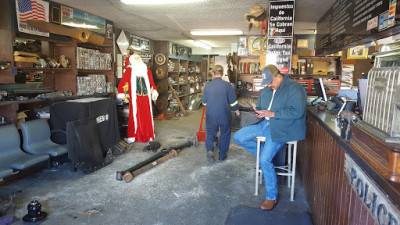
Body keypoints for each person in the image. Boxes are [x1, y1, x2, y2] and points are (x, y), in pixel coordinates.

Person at [233, 64, 306, 210]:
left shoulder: (294, 88)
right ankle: (261, 156)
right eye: (267, 84)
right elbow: (261, 107)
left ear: (278, 75)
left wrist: (273, 114)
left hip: (282, 128)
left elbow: (297, 112)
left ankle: (271, 197)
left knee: (266, 160)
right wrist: (259, 112)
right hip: (264, 125)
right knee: (239, 137)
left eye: (271, 82)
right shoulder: (267, 90)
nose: (270, 86)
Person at [117, 54, 159, 143]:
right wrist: (122, 93)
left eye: (138, 58)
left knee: (147, 116)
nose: (138, 60)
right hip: (135, 98)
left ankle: (148, 135)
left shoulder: (147, 71)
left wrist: (154, 91)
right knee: (135, 116)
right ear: (132, 61)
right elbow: (123, 82)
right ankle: (134, 135)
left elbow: (152, 83)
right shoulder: (129, 71)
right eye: (135, 59)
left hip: (146, 98)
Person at [202, 65, 240, 162]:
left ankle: (210, 150)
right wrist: (237, 110)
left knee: (210, 132)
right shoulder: (227, 85)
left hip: (211, 114)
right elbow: (233, 101)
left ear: (213, 74)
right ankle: (222, 155)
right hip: (224, 113)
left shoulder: (207, 85)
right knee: (225, 133)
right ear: (222, 74)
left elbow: (204, 102)